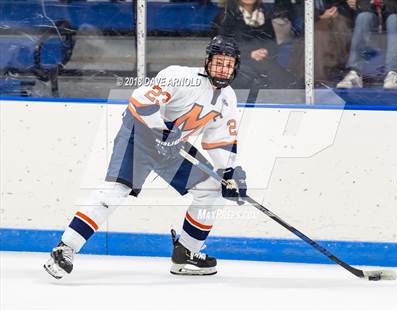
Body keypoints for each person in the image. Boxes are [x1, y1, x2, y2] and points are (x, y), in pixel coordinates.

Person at [43, 35, 248, 278]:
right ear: (207, 61)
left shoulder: (228, 98)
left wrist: (229, 172)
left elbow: (219, 139)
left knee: (212, 189)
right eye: (218, 62)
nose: (222, 69)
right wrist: (162, 132)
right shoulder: (180, 76)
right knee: (116, 190)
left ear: (235, 67)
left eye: (228, 64)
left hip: (173, 145)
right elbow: (140, 101)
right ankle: (65, 248)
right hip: (139, 134)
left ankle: (186, 254)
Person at [218, 0, 299, 94]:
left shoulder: (263, 14)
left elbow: (271, 41)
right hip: (238, 63)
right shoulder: (226, 15)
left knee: (285, 80)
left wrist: (266, 50)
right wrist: (249, 54)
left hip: (262, 60)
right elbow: (222, 44)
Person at [337, 0, 397, 89]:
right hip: (380, 20)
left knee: (394, 19)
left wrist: (374, 3)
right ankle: (354, 73)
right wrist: (368, 4)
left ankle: (393, 73)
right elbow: (361, 6)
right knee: (364, 17)